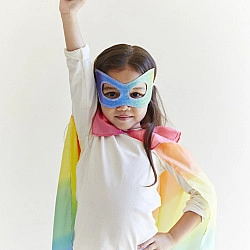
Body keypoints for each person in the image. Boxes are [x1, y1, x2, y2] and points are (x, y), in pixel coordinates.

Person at [52, 0, 216, 249]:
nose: (124, 106)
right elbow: (78, 67)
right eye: (112, 93)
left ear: (149, 93)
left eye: (135, 94)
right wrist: (68, 14)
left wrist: (171, 237)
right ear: (98, 92)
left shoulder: (158, 148)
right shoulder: (92, 133)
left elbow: (203, 196)